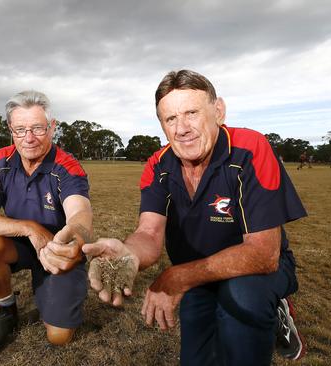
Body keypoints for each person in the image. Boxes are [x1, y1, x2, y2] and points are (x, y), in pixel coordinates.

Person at [83, 70, 307, 364]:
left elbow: (264, 254)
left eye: (191, 112)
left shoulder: (249, 149)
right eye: (170, 119)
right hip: (199, 275)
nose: (182, 128)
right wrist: (129, 252)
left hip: (254, 274)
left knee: (241, 299)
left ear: (218, 111)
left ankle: (274, 308)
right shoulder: (158, 166)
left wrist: (178, 276)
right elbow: (149, 233)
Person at [0, 90, 93, 356]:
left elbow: (80, 214)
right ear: (10, 129)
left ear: (52, 127)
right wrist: (30, 228)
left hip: (57, 249)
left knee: (59, 337)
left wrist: (77, 236)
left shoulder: (66, 166)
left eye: (38, 128)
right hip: (23, 244)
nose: (28, 138)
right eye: (20, 129)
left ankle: (50, 294)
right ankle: (6, 310)